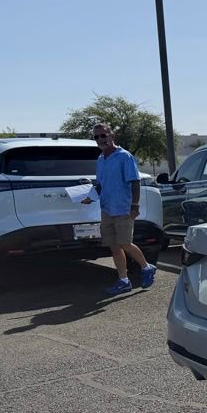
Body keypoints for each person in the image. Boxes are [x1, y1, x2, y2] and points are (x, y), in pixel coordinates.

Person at [83, 123, 156, 294]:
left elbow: (135, 182)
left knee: (125, 243)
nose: (100, 139)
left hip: (123, 208)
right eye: (96, 137)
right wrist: (89, 197)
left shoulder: (124, 157)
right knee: (114, 246)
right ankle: (123, 280)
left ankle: (146, 267)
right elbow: (100, 184)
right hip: (107, 208)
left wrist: (135, 205)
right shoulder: (101, 159)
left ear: (112, 136)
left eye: (103, 135)